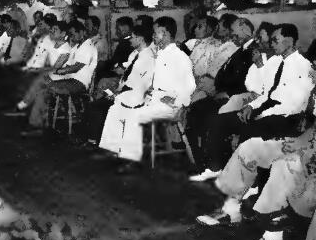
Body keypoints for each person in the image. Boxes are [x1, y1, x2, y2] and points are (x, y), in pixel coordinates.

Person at [196, 24, 315, 181]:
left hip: (286, 117)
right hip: (269, 108)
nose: (272, 44)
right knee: (219, 121)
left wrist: (262, 114)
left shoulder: (303, 66)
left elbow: (294, 105)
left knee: (250, 130)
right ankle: (218, 167)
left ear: (289, 40)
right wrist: (251, 107)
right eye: (271, 40)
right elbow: (266, 93)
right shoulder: (277, 62)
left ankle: (248, 181)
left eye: (275, 40)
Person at [99, 17, 195, 162]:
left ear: (166, 33)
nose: (153, 36)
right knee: (116, 109)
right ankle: (111, 151)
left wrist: (177, 100)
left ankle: (129, 159)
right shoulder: (159, 54)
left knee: (134, 116)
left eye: (156, 33)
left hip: (170, 105)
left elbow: (190, 86)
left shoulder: (180, 56)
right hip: (153, 98)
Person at [186, 17, 258, 179]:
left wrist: (226, 93)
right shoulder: (240, 49)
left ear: (245, 29)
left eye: (235, 33)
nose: (232, 36)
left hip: (238, 97)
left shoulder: (253, 51)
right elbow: (225, 74)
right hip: (222, 93)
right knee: (194, 111)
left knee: (211, 116)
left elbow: (246, 80)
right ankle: (201, 162)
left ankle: (215, 164)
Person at [87, 24, 155, 143]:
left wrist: (118, 93)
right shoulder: (137, 54)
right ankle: (95, 139)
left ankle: (97, 140)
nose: (130, 40)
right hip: (127, 91)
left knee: (97, 107)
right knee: (98, 102)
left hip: (135, 97)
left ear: (140, 39)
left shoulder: (147, 58)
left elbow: (136, 84)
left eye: (133, 37)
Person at [187, 16, 222, 104]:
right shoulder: (195, 44)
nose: (195, 30)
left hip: (205, 88)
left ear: (212, 29)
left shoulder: (216, 46)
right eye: (196, 26)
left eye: (200, 27)